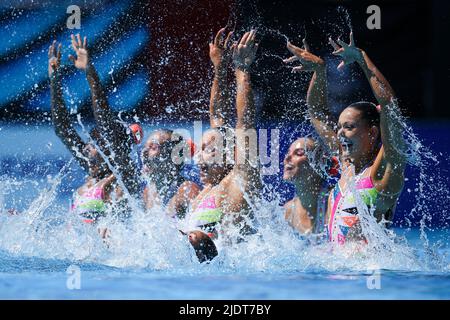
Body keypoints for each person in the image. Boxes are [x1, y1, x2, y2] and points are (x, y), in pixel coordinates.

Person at [284, 33, 406, 245]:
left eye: (348, 127)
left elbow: (390, 107)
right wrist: (319, 71)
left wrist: (361, 58)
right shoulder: (346, 166)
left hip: (366, 272)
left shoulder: (383, 171)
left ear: (372, 132)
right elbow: (316, 112)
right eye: (339, 127)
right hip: (339, 272)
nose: (339, 133)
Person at [182, 29, 261, 262]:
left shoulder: (238, 182)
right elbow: (216, 113)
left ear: (230, 154)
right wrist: (219, 66)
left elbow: (244, 123)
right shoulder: (208, 190)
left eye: (208, 150)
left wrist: (242, 71)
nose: (198, 159)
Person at [48, 36, 139, 232]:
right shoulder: (91, 170)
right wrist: (54, 82)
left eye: (95, 143)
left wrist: (90, 71)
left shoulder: (125, 174)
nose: (87, 148)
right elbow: (62, 128)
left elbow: (103, 117)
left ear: (112, 148)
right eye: (89, 142)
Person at [282, 137, 337, 235]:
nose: (287, 158)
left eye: (298, 153)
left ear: (318, 163)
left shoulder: (334, 202)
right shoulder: (288, 212)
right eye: (288, 153)